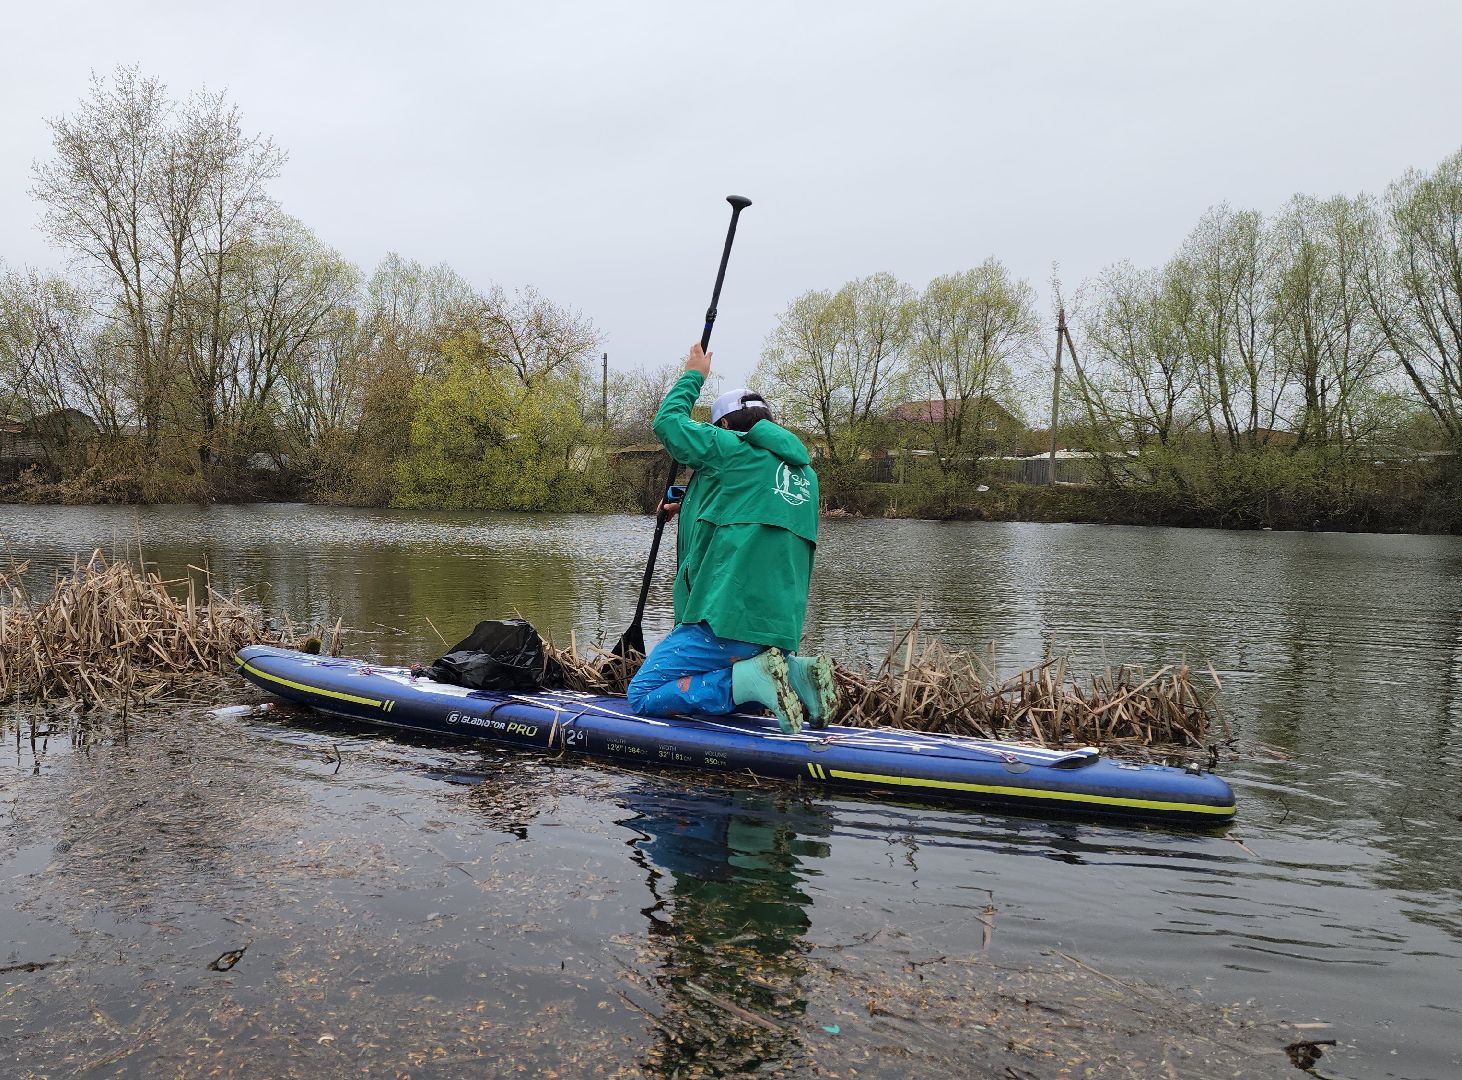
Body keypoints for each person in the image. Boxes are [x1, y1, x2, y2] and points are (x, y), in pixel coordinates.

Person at [626, 342, 836, 734]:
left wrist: (694, 375)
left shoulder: (732, 450)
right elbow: (748, 513)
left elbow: (669, 423)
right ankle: (794, 674)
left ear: (724, 427)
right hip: (778, 632)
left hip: (724, 625)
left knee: (643, 693)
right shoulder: (803, 475)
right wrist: (686, 504)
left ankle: (744, 682)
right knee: (749, 663)